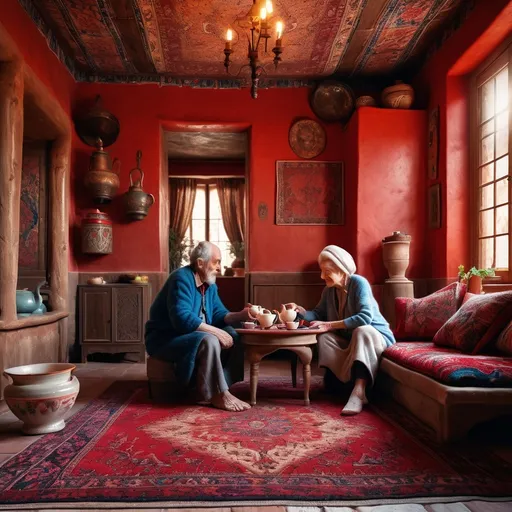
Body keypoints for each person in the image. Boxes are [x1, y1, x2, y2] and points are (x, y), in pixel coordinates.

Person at [283, 245, 395, 416]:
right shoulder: (329, 290)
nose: (322, 276)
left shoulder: (359, 283)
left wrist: (329, 324)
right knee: (324, 337)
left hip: (373, 337)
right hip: (349, 339)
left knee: (362, 330)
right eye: (322, 271)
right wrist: (301, 311)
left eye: (327, 271)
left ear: (341, 269)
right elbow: (318, 313)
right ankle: (340, 383)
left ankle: (359, 391)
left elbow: (365, 318)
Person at [145, 241, 255, 412]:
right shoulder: (181, 278)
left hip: (189, 336)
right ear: (200, 263)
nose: (219, 267)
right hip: (165, 339)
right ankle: (219, 394)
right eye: (216, 261)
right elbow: (181, 318)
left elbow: (219, 314)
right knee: (210, 339)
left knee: (232, 334)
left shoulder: (209, 284)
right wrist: (214, 331)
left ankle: (210, 387)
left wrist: (241, 314)